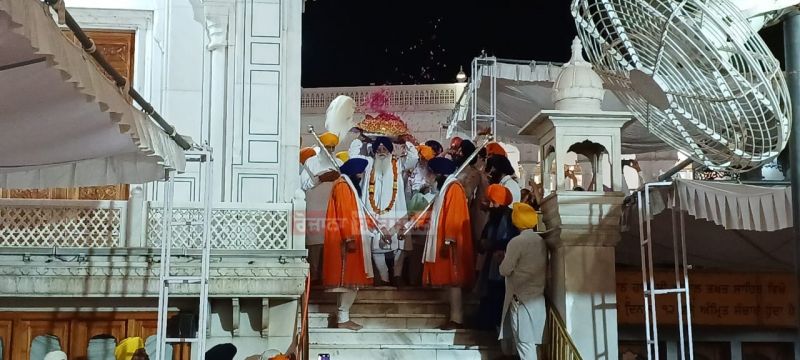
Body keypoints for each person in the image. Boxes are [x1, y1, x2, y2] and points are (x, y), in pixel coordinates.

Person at [354, 136, 419, 285]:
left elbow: (414, 158)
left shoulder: (397, 164)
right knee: (376, 248)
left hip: (396, 215)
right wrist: (361, 138)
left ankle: (397, 275)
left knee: (399, 248)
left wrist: (405, 140)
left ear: (390, 151)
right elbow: (354, 155)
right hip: (374, 215)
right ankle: (384, 277)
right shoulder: (369, 164)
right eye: (379, 149)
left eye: (385, 149)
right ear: (374, 151)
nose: (381, 152)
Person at [419, 157, 474, 330]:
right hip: (446, 241)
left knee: (454, 280)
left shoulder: (454, 189)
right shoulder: (446, 188)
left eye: (432, 173)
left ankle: (457, 319)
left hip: (451, 243)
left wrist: (448, 241)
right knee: (450, 281)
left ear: (440, 173)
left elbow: (454, 217)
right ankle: (454, 316)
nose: (431, 176)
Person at [322, 158, 374, 330]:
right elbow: (345, 214)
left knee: (348, 283)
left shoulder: (346, 185)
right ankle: (343, 319)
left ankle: (342, 316)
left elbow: (356, 213)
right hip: (346, 241)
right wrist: (350, 239)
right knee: (351, 281)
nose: (362, 176)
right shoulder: (343, 187)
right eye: (361, 173)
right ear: (355, 173)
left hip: (349, 238)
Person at [499, 202, 547, 360]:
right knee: (534, 344)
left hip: (520, 300)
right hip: (538, 299)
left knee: (524, 343)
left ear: (515, 221)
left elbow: (505, 270)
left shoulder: (517, 242)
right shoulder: (541, 241)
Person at [299, 132, 342, 284]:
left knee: (331, 243)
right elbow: (304, 184)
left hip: (332, 209)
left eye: (332, 148)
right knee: (315, 243)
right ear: (321, 147)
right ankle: (314, 277)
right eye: (327, 147)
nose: (329, 150)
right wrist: (321, 178)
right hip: (314, 208)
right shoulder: (311, 162)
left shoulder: (338, 163)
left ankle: (329, 276)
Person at [476, 184, 518, 331]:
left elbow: (513, 240)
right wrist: (482, 244)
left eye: (494, 202)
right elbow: (485, 236)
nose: (492, 205)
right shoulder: (493, 218)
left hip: (503, 266)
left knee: (498, 298)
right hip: (491, 265)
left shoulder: (511, 217)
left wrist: (493, 244)